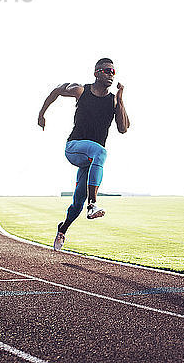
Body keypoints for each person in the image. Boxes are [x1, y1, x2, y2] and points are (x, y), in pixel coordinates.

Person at [37, 58, 130, 251]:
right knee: (100, 151)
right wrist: (41, 114)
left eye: (113, 71)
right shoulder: (81, 90)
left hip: (91, 160)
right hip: (74, 148)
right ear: (96, 73)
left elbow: (123, 128)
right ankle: (93, 204)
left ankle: (63, 228)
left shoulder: (113, 100)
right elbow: (56, 90)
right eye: (106, 71)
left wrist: (120, 100)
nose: (110, 74)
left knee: (77, 202)